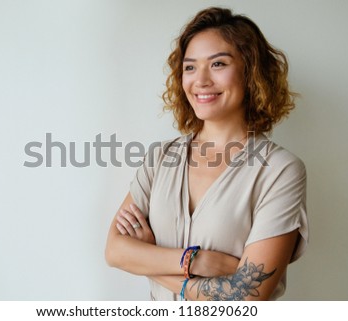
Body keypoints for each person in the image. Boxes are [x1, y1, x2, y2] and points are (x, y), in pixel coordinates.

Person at [105, 7, 308, 301]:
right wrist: (196, 261)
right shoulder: (160, 158)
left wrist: (150, 261)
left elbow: (247, 297)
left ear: (251, 72)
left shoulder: (280, 170)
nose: (200, 80)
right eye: (190, 67)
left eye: (218, 64)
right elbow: (114, 251)